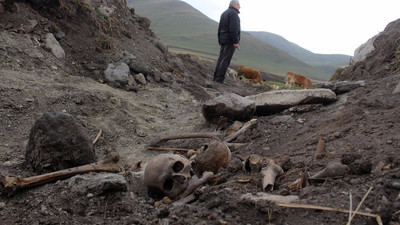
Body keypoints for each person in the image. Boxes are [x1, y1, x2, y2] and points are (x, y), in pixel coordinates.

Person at [213, 0, 241, 85]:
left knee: (221, 59)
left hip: (223, 39)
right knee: (225, 60)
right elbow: (233, 29)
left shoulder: (224, 13)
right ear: (234, 4)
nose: (240, 7)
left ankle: (216, 78)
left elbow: (219, 28)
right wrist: (236, 41)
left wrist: (220, 39)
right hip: (230, 41)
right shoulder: (233, 14)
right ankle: (219, 79)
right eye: (239, 5)